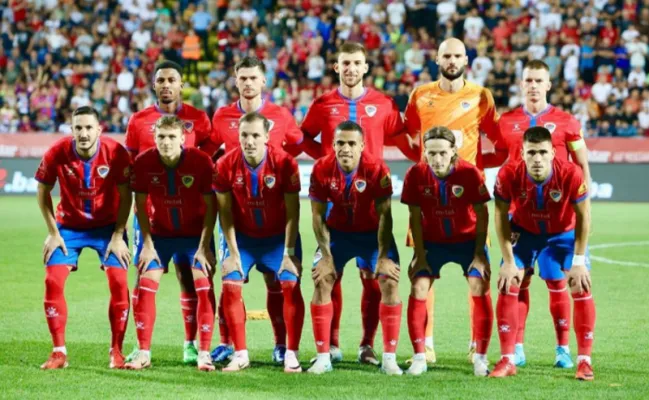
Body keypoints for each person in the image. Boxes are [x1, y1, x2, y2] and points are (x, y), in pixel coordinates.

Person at [299, 41, 418, 365]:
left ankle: (367, 345)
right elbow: (303, 137)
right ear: (336, 67)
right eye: (345, 63)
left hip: (371, 203)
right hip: (336, 204)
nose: (351, 68)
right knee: (327, 274)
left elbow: (403, 140)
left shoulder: (384, 104)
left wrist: (426, 162)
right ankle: (332, 346)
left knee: (375, 279)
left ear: (366, 67)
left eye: (356, 63)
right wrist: (324, 158)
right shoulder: (322, 104)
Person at [403, 37, 507, 364]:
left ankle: (478, 345)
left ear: (466, 58)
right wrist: (421, 164)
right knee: (423, 272)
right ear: (437, 58)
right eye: (446, 55)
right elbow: (408, 137)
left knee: (477, 271)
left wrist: (475, 167)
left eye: (457, 55)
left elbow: (501, 144)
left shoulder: (480, 96)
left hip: (467, 200)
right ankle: (427, 345)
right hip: (429, 196)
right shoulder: (420, 95)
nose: (452, 60)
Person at [496, 59, 592, 368]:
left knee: (556, 279)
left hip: (558, 214)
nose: (534, 85)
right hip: (520, 218)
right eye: (529, 80)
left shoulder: (566, 121)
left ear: (548, 84)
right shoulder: (506, 120)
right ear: (521, 84)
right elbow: (501, 161)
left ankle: (564, 350)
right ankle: (516, 349)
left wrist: (583, 194)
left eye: (539, 80)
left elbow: (580, 162)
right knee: (516, 280)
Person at [210, 56, 304, 365]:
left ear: (263, 81)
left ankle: (283, 346)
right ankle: (228, 344)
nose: (248, 82)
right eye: (243, 77)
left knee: (277, 282)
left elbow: (297, 146)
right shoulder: (221, 117)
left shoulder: (281, 116)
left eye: (254, 77)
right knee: (230, 279)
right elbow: (210, 153)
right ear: (235, 81)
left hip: (274, 222)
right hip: (238, 220)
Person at [124, 60, 217, 366]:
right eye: (161, 80)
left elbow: (209, 169)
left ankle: (196, 347)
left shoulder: (199, 120)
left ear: (180, 84)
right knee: (146, 278)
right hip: (156, 223)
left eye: (172, 80)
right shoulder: (138, 122)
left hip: (193, 226)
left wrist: (206, 242)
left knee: (192, 279)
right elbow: (135, 188)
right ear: (154, 85)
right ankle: (143, 350)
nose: (166, 85)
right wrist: (141, 238)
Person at [490, 127, 595, 381]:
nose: (537, 158)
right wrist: (507, 260)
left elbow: (584, 217)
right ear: (522, 153)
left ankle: (584, 361)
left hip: (563, 235)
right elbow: (500, 216)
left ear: (553, 152)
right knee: (509, 281)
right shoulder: (508, 174)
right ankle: (508, 359)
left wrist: (579, 261)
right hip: (525, 233)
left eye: (542, 152)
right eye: (531, 152)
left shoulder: (570, 173)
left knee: (580, 285)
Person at [36, 106, 132, 369]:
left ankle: (117, 351)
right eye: (78, 128)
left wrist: (118, 235)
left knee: (119, 281)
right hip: (68, 228)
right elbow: (42, 190)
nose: (83, 133)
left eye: (89, 127)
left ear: (99, 129)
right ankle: (59, 352)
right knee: (52, 281)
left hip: (108, 228)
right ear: (72, 130)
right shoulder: (57, 152)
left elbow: (127, 196)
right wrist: (53, 232)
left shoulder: (115, 152)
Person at [307, 121, 403, 375]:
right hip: (337, 234)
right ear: (333, 145)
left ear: (362, 145)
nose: (345, 148)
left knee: (389, 280)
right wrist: (326, 256)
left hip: (372, 235)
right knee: (322, 278)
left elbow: (385, 216)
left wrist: (383, 256)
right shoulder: (321, 168)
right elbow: (316, 217)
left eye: (351, 143)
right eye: (340, 143)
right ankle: (323, 356)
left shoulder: (376, 168)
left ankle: (388, 358)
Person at [401, 126, 493, 377]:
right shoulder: (415, 174)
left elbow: (483, 214)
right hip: (433, 242)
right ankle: (420, 356)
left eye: (442, 152)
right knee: (418, 286)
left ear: (454, 151)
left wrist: (479, 253)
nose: (437, 159)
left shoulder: (469, 173)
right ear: (424, 153)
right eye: (431, 153)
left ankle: (480, 358)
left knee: (479, 285)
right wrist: (419, 255)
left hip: (467, 241)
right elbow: (414, 217)